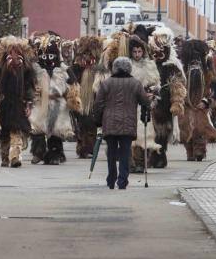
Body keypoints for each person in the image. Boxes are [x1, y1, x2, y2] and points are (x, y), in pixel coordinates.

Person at [92, 56, 152, 190]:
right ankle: (122, 181)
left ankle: (111, 179)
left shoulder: (106, 83)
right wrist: (145, 115)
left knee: (111, 153)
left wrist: (97, 121)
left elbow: (98, 104)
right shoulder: (135, 83)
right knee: (125, 153)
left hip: (110, 123)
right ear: (129, 68)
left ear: (114, 68)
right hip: (128, 124)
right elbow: (145, 102)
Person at [28, 31, 81, 165]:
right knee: (37, 127)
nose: (48, 59)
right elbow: (29, 84)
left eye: (51, 55)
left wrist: (70, 95)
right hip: (40, 102)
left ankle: (55, 154)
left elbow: (73, 84)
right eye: (45, 55)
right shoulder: (35, 69)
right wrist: (33, 92)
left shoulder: (63, 69)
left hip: (58, 103)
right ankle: (38, 152)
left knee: (56, 130)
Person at [0, 36, 36, 168]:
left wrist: (29, 103)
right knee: (4, 132)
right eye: (11, 53)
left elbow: (30, 86)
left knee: (16, 130)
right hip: (3, 103)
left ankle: (14, 156)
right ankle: (4, 156)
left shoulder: (27, 69)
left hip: (19, 103)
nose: (14, 57)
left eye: (18, 54)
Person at [148, 28, 187, 168]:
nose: (158, 55)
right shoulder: (148, 65)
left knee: (161, 133)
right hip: (149, 104)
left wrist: (177, 102)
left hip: (164, 106)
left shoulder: (172, 67)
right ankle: (150, 156)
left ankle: (159, 155)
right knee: (149, 132)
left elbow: (177, 86)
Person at [179, 39, 216, 161]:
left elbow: (215, 91)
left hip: (201, 104)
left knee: (200, 127)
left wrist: (206, 101)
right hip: (187, 104)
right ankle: (190, 150)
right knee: (187, 128)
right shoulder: (183, 71)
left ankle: (200, 150)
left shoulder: (207, 71)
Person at [128, 34, 161, 173]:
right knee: (131, 135)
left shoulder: (150, 65)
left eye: (139, 51)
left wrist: (153, 92)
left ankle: (141, 163)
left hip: (145, 105)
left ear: (143, 51)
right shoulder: (127, 65)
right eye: (134, 52)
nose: (137, 54)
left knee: (145, 133)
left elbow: (157, 84)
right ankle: (131, 163)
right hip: (130, 105)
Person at [69, 36, 103, 158]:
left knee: (91, 123)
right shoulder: (77, 67)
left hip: (93, 98)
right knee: (82, 123)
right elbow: (71, 78)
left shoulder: (98, 67)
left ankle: (90, 148)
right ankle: (83, 147)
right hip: (80, 98)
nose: (88, 57)